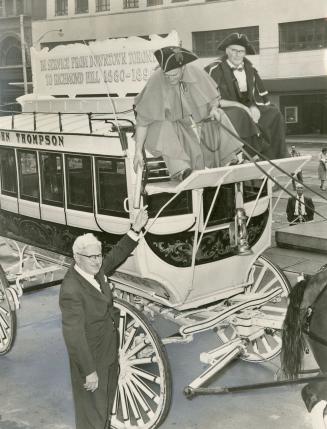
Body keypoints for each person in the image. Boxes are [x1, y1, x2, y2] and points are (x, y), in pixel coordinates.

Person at [59, 207, 148, 429]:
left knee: (104, 409)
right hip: (91, 360)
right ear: (77, 258)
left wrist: (135, 229)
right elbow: (74, 337)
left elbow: (115, 255)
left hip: (108, 354)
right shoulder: (71, 289)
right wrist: (89, 372)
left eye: (99, 255)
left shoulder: (94, 271)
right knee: (92, 416)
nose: (98, 261)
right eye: (92, 257)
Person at [133, 45, 243, 181]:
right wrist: (137, 151)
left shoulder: (196, 72)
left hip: (198, 124)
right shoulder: (157, 79)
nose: (170, 79)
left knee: (219, 114)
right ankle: (182, 170)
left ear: (183, 68)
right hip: (174, 127)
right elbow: (143, 119)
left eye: (174, 75)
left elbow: (213, 98)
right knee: (161, 125)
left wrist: (213, 109)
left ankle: (228, 160)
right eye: (166, 76)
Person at [205, 33, 287, 160]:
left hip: (247, 105)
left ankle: (273, 156)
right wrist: (241, 106)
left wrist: (253, 107)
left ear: (245, 53)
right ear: (227, 50)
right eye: (234, 50)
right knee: (240, 114)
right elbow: (212, 99)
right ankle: (246, 154)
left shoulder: (250, 69)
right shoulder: (214, 69)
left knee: (274, 113)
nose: (237, 54)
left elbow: (254, 96)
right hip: (226, 106)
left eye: (241, 51)